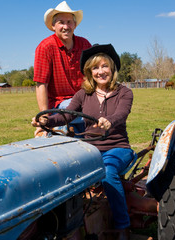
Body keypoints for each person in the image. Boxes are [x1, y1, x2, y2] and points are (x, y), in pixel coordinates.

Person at [32, 44, 136, 239]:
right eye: (95, 68)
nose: (100, 72)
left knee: (108, 172)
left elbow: (122, 114)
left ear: (112, 68)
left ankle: (123, 226)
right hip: (90, 150)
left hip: (117, 148)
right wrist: (46, 120)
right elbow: (65, 116)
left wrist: (110, 121)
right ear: (89, 72)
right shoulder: (82, 94)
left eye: (104, 66)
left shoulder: (124, 93)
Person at [33, 1, 92, 136]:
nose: (66, 26)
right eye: (61, 22)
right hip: (60, 104)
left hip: (83, 99)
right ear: (53, 26)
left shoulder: (84, 44)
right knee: (84, 109)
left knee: (104, 104)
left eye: (69, 22)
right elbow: (41, 84)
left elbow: (92, 75)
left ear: (75, 25)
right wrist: (45, 118)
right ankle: (56, 124)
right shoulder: (46, 47)